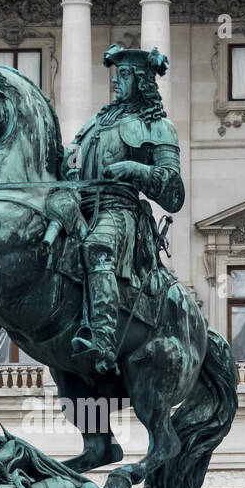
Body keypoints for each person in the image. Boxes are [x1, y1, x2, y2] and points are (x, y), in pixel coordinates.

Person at [63, 45, 184, 374]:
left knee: (96, 247)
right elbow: (70, 158)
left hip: (120, 211)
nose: (117, 81)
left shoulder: (158, 128)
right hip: (78, 205)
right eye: (116, 74)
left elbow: (174, 192)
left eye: (125, 75)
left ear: (143, 80)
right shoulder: (94, 123)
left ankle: (102, 339)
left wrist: (135, 170)